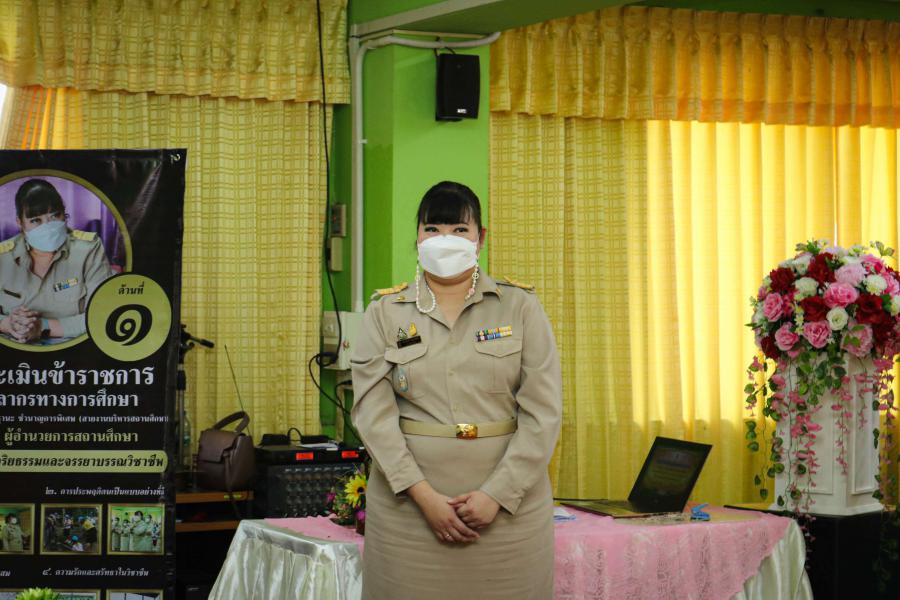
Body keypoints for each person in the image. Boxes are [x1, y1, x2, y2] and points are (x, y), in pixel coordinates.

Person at [350, 181, 562, 599]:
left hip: (509, 512)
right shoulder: (385, 312)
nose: (444, 239)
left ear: (480, 238)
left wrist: (496, 495)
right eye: (433, 229)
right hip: (408, 512)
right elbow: (372, 415)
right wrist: (424, 496)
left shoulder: (519, 307)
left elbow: (543, 413)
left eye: (459, 229)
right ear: (417, 237)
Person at [0, 179, 115, 343]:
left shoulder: (88, 249)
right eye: (35, 220)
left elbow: (101, 315)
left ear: (64, 215)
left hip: (73, 346)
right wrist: (7, 324)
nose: (48, 227)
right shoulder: (3, 256)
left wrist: (42, 327)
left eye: (54, 215)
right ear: (20, 223)